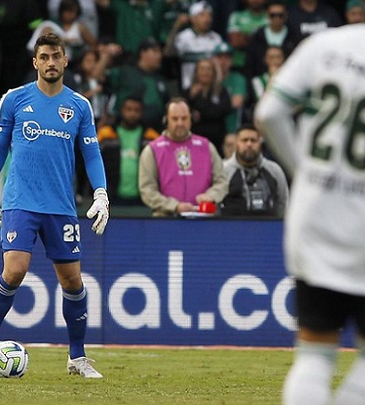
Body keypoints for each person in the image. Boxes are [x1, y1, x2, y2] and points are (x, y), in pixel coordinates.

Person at [0, 33, 109, 379]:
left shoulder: (79, 106)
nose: (50, 62)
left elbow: (91, 152)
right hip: (21, 202)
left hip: (61, 206)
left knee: (72, 281)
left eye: (56, 56)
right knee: (14, 270)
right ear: (35, 62)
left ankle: (77, 358)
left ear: (65, 61)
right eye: (44, 57)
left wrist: (101, 193)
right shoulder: (15, 100)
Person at [254, 23, 365, 405]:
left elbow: (269, 112)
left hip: (315, 219)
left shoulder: (325, 45)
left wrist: (305, 172)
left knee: (315, 354)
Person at [138, 97, 228, 216]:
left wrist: (211, 196)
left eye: (184, 118)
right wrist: (173, 206)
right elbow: (147, 190)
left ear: (191, 119)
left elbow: (222, 181)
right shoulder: (152, 150)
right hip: (165, 219)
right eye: (175, 119)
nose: (180, 123)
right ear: (166, 120)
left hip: (203, 219)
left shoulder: (206, 147)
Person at [98, 95, 159, 205]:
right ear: (122, 110)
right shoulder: (106, 134)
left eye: (136, 110)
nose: (132, 114)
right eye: (129, 109)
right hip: (111, 196)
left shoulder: (151, 137)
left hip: (143, 199)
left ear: (142, 112)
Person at [220, 124, 288, 217]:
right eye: (244, 140)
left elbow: (283, 203)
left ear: (260, 143)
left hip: (269, 228)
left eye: (253, 140)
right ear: (236, 144)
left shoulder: (274, 170)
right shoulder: (224, 171)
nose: (249, 144)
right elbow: (215, 204)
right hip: (233, 229)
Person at [166, 1, 222, 91]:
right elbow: (169, 53)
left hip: (212, 88)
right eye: (202, 15)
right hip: (189, 87)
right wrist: (176, 27)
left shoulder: (216, 38)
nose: (207, 19)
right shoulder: (184, 37)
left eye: (209, 15)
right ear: (193, 18)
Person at [184, 57, 232, 155]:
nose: (205, 72)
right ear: (196, 72)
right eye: (202, 69)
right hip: (194, 141)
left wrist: (200, 111)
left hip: (217, 140)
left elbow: (222, 110)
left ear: (213, 72)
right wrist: (191, 97)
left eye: (208, 69)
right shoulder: (188, 93)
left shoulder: (222, 91)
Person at [244, 0, 299, 81]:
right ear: (267, 15)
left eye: (280, 15)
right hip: (259, 82)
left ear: (286, 16)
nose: (276, 18)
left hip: (288, 80)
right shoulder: (257, 36)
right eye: (273, 15)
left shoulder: (294, 36)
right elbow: (250, 64)